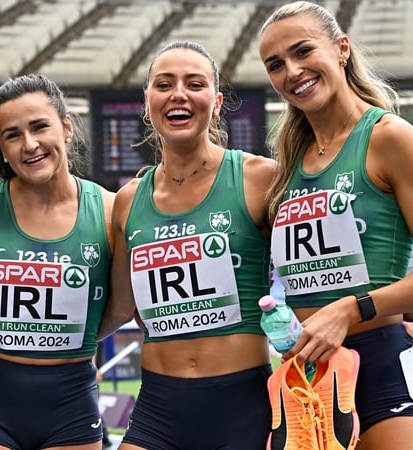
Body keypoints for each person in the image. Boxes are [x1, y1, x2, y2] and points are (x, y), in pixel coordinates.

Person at [257, 2, 413, 449]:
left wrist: (350, 308)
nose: (292, 71)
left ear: (341, 49)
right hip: (309, 378)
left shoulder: (389, 138)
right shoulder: (288, 166)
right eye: (276, 65)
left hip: (384, 370)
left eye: (303, 51)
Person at [97, 40, 277, 449]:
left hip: (244, 406)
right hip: (159, 408)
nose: (178, 94)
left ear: (216, 102)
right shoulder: (128, 201)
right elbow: (123, 308)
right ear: (147, 102)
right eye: (165, 84)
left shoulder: (260, 179)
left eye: (194, 84)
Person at [0, 74, 115, 450]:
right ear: (0, 148)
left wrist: (69, 339)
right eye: (12, 135)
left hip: (71, 401)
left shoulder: (110, 211)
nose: (29, 145)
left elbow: (121, 304)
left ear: (67, 127)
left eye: (40, 126)